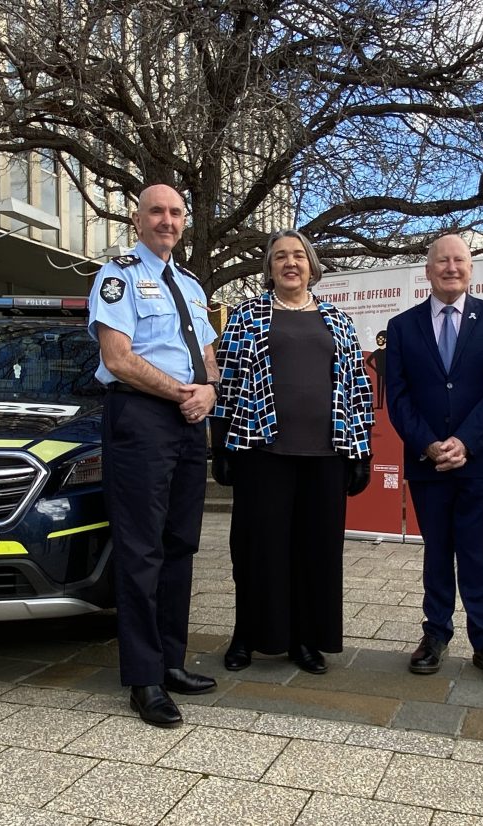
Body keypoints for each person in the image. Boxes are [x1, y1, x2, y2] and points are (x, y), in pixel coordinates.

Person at [210, 230, 374, 675]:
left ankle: (305, 639)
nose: (290, 263)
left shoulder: (337, 320)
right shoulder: (246, 316)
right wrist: (220, 444)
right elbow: (224, 382)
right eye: (280, 256)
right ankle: (248, 635)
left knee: (315, 551)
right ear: (269, 268)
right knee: (256, 549)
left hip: (326, 455)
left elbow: (357, 388)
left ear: (311, 265)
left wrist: (362, 453)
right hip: (261, 451)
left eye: (298, 255)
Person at [88, 183, 220, 728]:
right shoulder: (116, 276)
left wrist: (208, 390)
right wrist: (183, 393)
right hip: (142, 418)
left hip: (189, 420)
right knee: (141, 549)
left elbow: (207, 354)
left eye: (175, 212)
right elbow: (118, 359)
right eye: (156, 212)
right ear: (137, 220)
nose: (167, 220)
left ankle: (170, 661)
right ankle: (143, 678)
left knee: (179, 544)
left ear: (183, 221)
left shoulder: (189, 284)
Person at [385, 234, 483, 684]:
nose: (450, 267)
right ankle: (435, 635)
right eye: (441, 261)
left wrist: (465, 440)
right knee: (437, 552)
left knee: (478, 554)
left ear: (471, 268)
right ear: (427, 270)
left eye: (459, 260)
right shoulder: (403, 327)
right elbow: (399, 396)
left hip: (478, 461)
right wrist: (428, 444)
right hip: (427, 463)